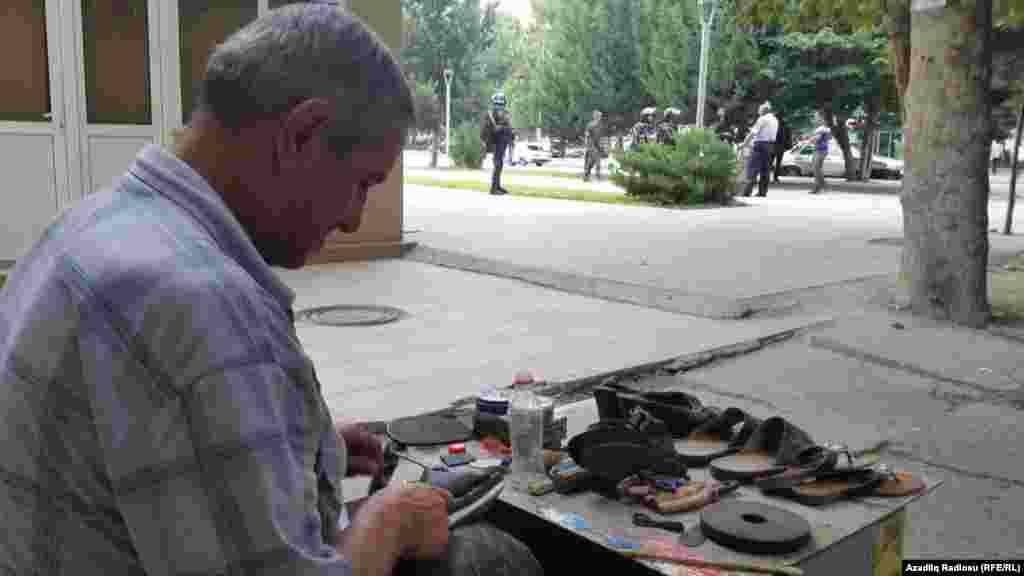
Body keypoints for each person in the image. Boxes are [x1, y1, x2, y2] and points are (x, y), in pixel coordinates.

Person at [0, 5, 543, 576]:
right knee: (487, 558)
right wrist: (385, 524)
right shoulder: (198, 304)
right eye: (361, 183)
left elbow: (142, 433)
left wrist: (297, 442)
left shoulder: (90, 225)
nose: (355, 219)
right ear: (302, 136)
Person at [739, 101, 779, 197]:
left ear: (764, 111)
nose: (758, 111)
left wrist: (744, 144)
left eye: (759, 110)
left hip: (760, 144)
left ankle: (746, 191)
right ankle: (762, 192)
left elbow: (753, 133)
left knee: (752, 167)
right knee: (765, 170)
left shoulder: (762, 119)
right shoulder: (775, 120)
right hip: (770, 146)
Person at [481, 92, 514, 195]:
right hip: (495, 143)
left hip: (503, 143)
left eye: (501, 104)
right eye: (497, 104)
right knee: (497, 164)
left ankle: (498, 187)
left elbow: (508, 127)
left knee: (500, 165)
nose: (499, 106)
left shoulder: (506, 114)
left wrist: (511, 133)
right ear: (494, 104)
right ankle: (493, 189)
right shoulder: (490, 115)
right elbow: (486, 130)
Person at [810, 111, 832, 194]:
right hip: (822, 150)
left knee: (816, 169)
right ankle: (819, 187)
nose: (814, 119)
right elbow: (829, 138)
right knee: (818, 169)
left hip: (820, 150)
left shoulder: (821, 128)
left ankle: (821, 186)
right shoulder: (825, 128)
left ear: (821, 118)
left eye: (816, 117)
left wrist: (811, 139)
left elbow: (817, 139)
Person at [583, 110, 605, 181]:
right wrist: (587, 146)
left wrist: (600, 146)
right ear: (595, 116)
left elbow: (599, 137)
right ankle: (598, 175)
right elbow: (586, 135)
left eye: (600, 116)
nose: (600, 117)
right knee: (597, 158)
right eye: (598, 116)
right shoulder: (590, 125)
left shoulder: (600, 125)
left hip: (596, 144)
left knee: (592, 161)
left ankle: (586, 175)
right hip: (590, 144)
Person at [772, 116, 792, 183]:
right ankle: (775, 178)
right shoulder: (786, 126)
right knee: (778, 163)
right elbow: (789, 137)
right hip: (781, 147)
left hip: (773, 146)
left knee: (769, 162)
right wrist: (787, 146)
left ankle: (768, 177)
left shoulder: (773, 125)